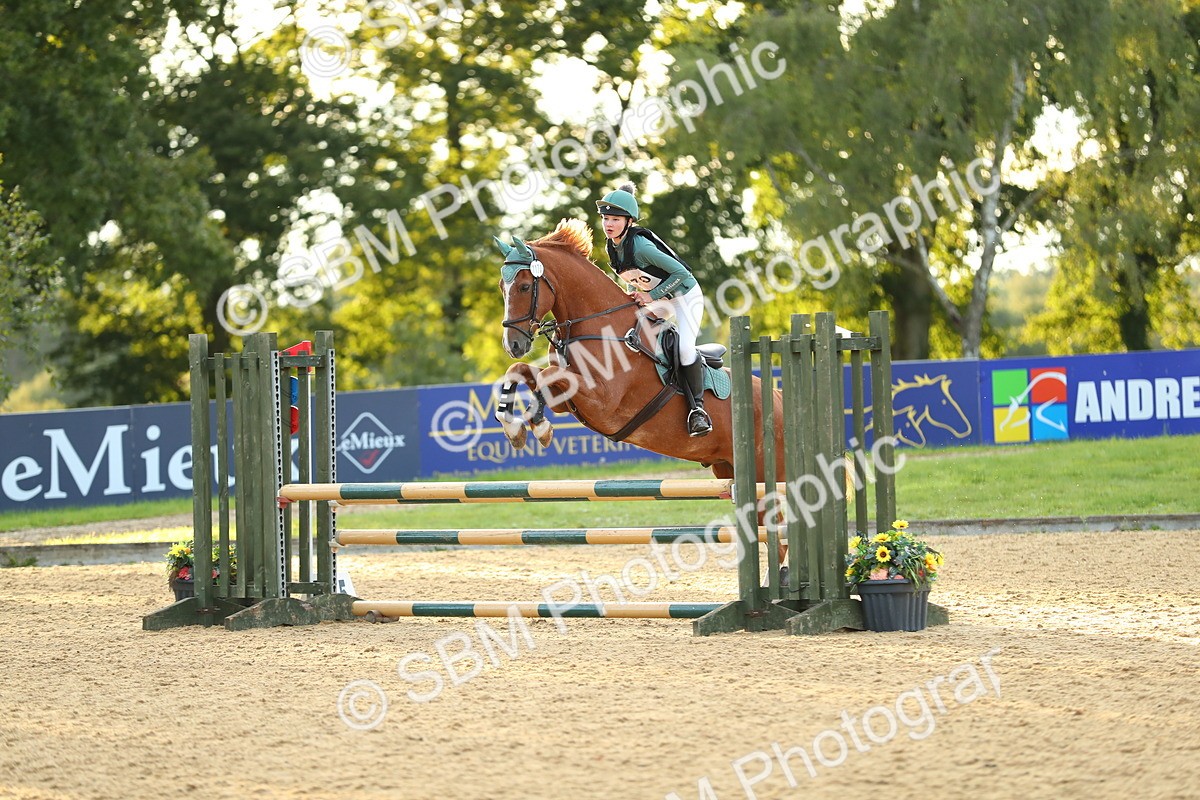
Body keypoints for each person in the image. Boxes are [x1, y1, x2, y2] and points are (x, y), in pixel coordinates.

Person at [596, 182, 712, 437]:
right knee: (629, 333)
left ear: (629, 222)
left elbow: (682, 273)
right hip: (660, 301)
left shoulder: (641, 246)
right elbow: (633, 276)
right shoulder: (612, 247)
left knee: (685, 349)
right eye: (605, 219)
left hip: (685, 297)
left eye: (615, 219)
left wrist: (650, 296)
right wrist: (633, 293)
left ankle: (698, 410)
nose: (608, 224)